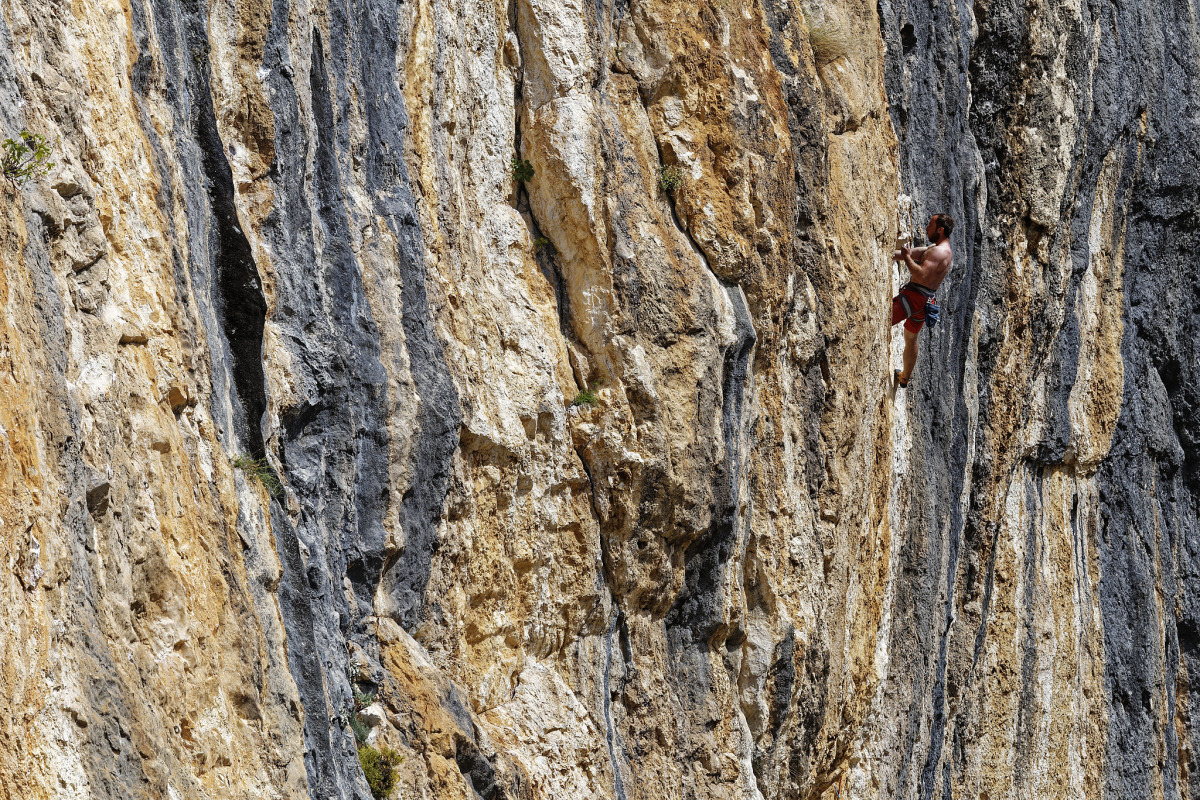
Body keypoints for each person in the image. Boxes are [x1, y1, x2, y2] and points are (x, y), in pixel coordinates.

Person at [891, 213, 954, 388]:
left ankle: (904, 376)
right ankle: (904, 377)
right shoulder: (938, 249)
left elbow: (920, 273)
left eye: (930, 226)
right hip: (924, 302)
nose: (926, 228)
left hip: (914, 298)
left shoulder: (939, 252)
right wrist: (898, 254)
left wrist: (907, 257)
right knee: (911, 338)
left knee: (882, 320)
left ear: (940, 230)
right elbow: (907, 254)